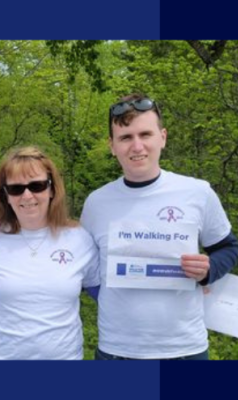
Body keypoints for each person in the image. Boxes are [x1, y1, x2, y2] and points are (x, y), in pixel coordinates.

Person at [81, 93, 238, 360]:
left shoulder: (197, 193)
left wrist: (209, 270)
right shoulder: (96, 203)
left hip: (186, 350)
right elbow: (86, 268)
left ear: (162, 137)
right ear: (112, 145)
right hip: (117, 352)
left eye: (146, 134)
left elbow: (228, 248)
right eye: (126, 137)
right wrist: (110, 299)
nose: (137, 146)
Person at [0, 146, 100, 360]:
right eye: (16, 189)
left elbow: (104, 294)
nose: (27, 195)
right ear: (5, 195)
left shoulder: (80, 240)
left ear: (52, 189)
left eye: (37, 186)